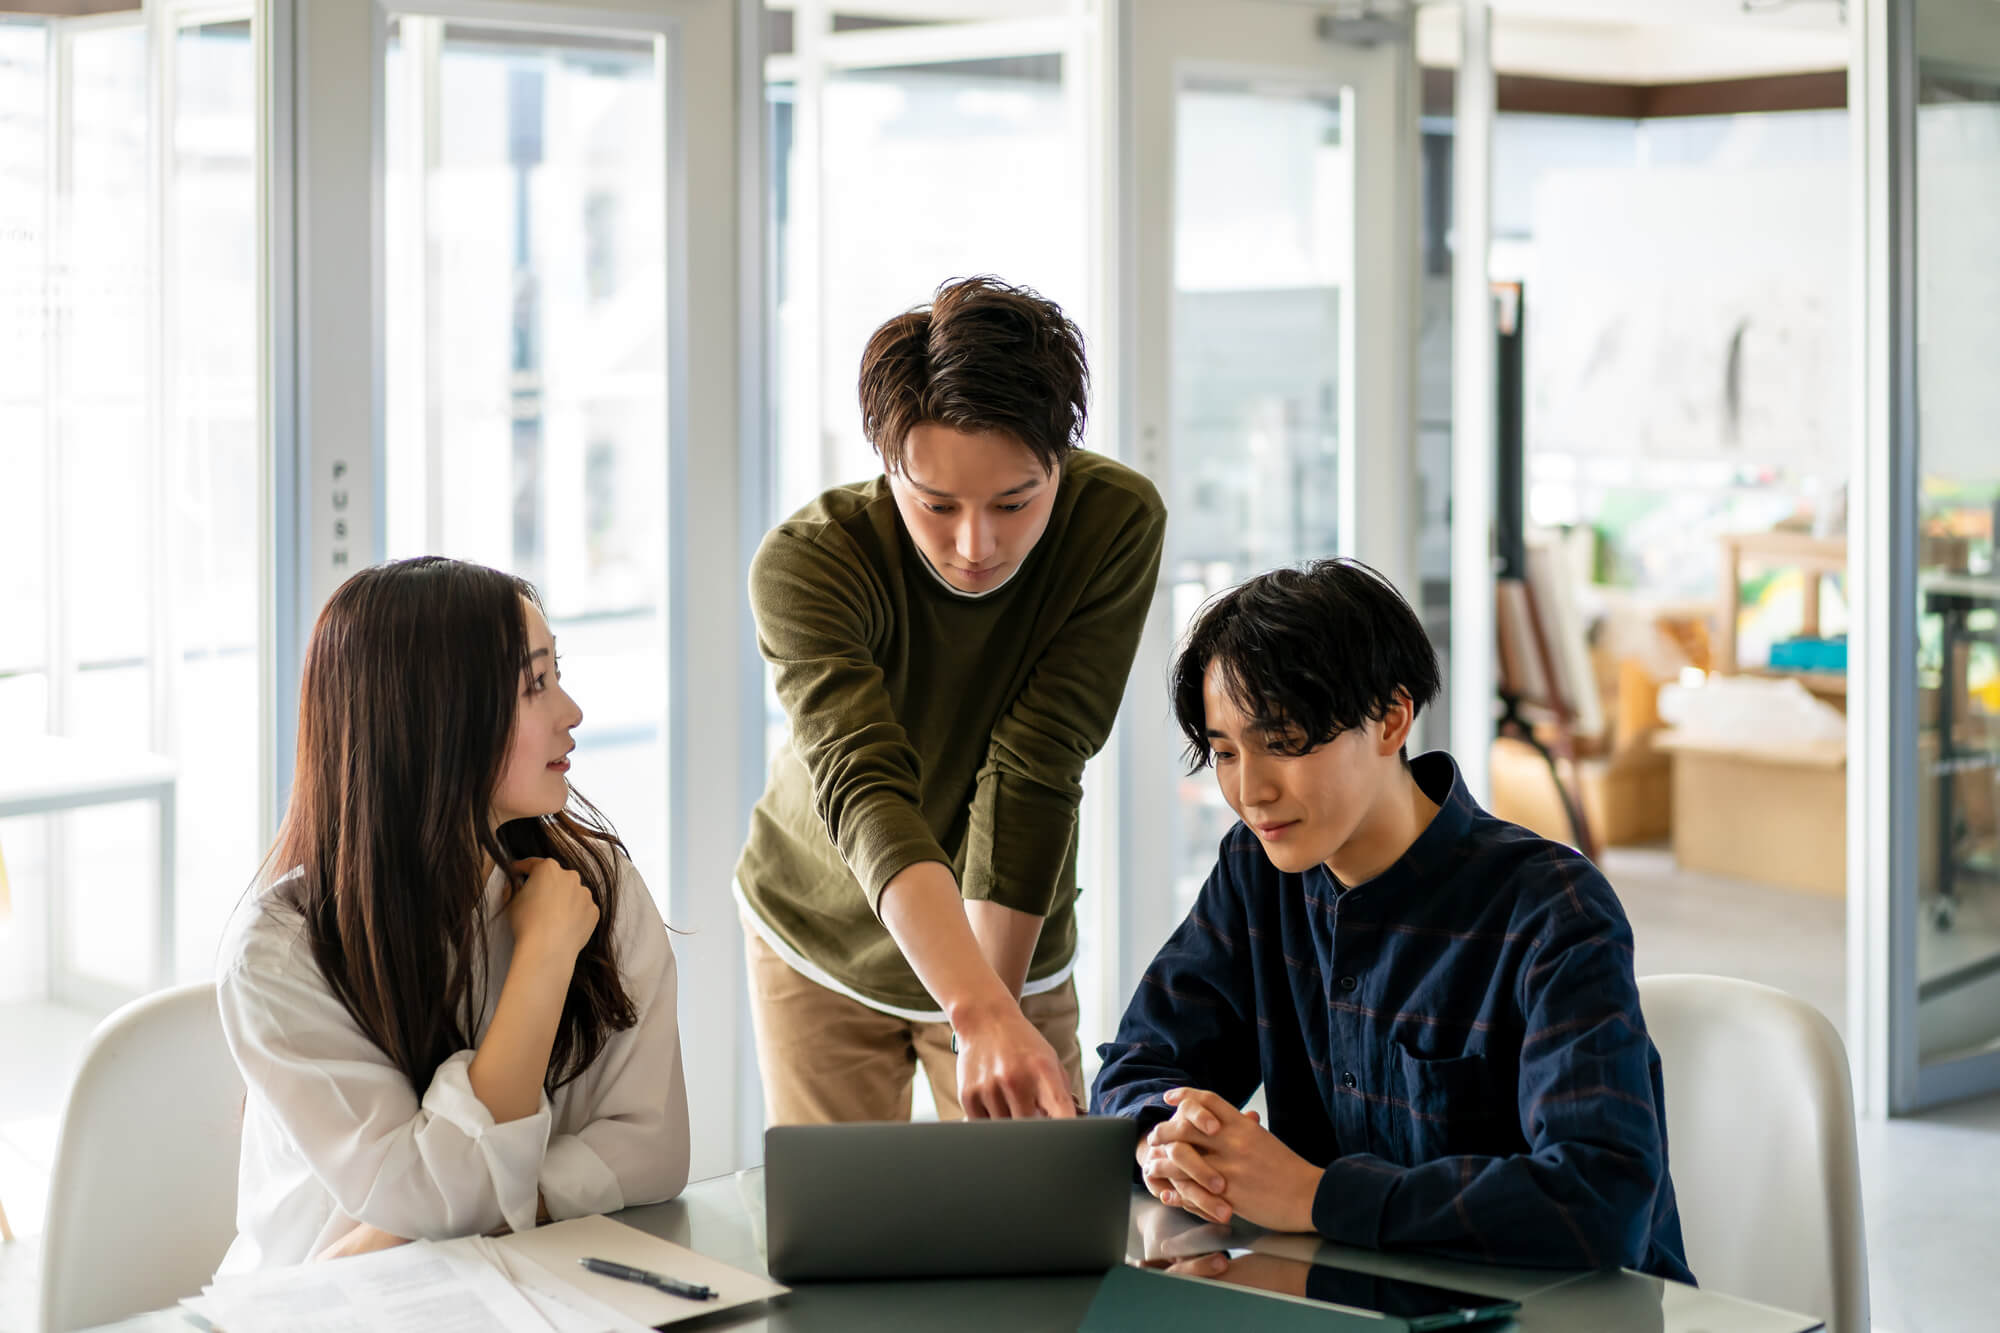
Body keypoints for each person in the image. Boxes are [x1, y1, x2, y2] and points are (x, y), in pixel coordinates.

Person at [1091, 558, 1693, 1281]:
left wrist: (1316, 1195)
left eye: (1283, 740)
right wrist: (1168, 1137)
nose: (1250, 790)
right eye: (1224, 751)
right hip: (1359, 1301)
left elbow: (1602, 1201)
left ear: (1392, 717)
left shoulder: (1551, 907)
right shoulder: (1259, 871)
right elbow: (1137, 1066)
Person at [737, 275, 1166, 1124]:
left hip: (1011, 924)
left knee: (1034, 1230)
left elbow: (1040, 758)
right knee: (846, 1236)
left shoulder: (1113, 523)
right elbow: (863, 785)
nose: (976, 544)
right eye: (936, 503)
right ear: (886, 461)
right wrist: (981, 1015)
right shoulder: (808, 564)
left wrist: (991, 1014)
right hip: (820, 933)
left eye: (1016, 501)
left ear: (1062, 459)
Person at [216, 557, 689, 1270]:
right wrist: (541, 959)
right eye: (535, 685)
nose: (571, 712)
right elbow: (435, 1198)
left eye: (556, 674)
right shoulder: (279, 953)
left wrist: (426, 1219)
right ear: (435, 721)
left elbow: (653, 1150)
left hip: (525, 1286)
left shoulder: (596, 883)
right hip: (326, 1309)